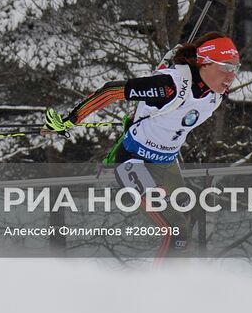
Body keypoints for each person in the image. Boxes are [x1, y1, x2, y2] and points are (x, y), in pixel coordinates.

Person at [43, 32, 240, 257]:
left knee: (188, 213)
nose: (231, 75)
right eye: (225, 67)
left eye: (235, 67)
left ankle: (178, 281)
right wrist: (69, 120)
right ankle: (157, 289)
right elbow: (111, 90)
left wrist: (170, 61)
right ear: (204, 64)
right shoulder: (170, 87)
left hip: (165, 162)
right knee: (176, 231)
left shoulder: (217, 93)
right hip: (134, 162)